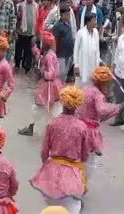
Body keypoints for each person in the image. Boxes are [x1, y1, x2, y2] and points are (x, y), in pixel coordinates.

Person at [30, 85, 89, 214]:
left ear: (62, 102)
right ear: (77, 105)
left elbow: (44, 152)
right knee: (73, 208)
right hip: (72, 174)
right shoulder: (82, 128)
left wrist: (45, 167)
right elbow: (85, 155)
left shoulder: (52, 123)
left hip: (52, 171)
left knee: (50, 209)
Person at [76, 66, 124, 179]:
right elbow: (102, 111)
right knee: (89, 162)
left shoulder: (87, 88)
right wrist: (118, 107)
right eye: (108, 84)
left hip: (79, 124)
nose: (109, 86)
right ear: (103, 83)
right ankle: (81, 184)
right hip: (89, 130)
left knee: (78, 155)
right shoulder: (98, 94)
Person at [18, 31, 63, 136]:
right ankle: (56, 131)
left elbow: (51, 74)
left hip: (49, 86)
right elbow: (40, 58)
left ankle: (31, 128)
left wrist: (42, 72)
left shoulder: (49, 57)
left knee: (38, 108)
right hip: (54, 86)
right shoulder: (49, 54)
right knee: (55, 109)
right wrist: (33, 48)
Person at [73, 13, 100, 88]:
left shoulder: (96, 33)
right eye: (94, 20)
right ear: (88, 22)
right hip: (82, 65)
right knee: (81, 88)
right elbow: (75, 50)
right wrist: (76, 65)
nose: (95, 22)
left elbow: (97, 50)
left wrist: (97, 65)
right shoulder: (80, 33)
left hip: (93, 65)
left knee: (91, 87)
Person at [15, 0, 39, 73]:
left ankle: (26, 68)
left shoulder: (36, 6)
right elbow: (17, 20)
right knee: (18, 51)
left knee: (28, 52)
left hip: (31, 33)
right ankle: (17, 65)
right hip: (21, 32)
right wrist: (16, 31)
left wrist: (36, 33)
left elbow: (38, 19)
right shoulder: (21, 5)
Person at [52, 7, 74, 82]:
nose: (69, 16)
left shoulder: (69, 24)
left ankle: (62, 87)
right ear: (62, 15)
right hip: (60, 53)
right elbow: (54, 39)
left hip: (69, 53)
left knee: (65, 73)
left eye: (69, 14)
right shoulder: (57, 26)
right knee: (61, 72)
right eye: (67, 14)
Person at [110, 17, 124, 127]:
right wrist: (113, 67)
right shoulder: (121, 38)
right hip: (119, 72)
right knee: (118, 97)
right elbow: (116, 53)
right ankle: (118, 118)